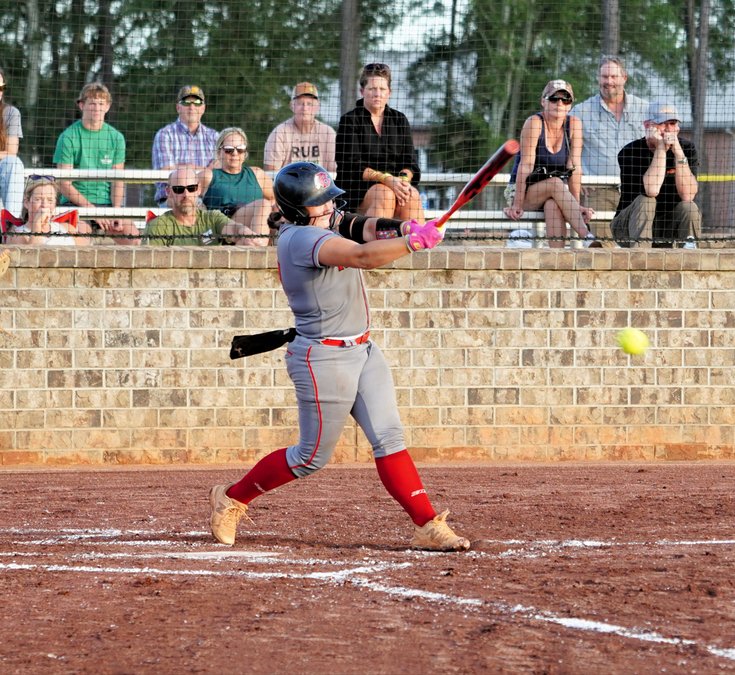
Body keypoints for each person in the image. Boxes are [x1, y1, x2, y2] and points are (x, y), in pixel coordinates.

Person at [208, 161, 470, 552]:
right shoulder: (299, 239)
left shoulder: (324, 221)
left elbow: (363, 226)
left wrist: (405, 228)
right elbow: (362, 256)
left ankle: (427, 524)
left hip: (363, 351)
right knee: (310, 457)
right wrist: (414, 243)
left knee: (389, 438)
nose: (331, 207)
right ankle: (232, 498)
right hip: (323, 359)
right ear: (298, 210)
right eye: (322, 202)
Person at [504, 80, 599, 248]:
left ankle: (557, 257)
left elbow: (574, 168)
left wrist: (576, 205)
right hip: (523, 191)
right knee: (555, 183)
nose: (560, 103)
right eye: (554, 98)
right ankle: (587, 236)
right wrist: (517, 203)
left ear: (570, 104)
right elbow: (525, 166)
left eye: (565, 99)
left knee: (552, 204)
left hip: (556, 194)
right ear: (543, 101)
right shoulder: (534, 123)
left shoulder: (574, 124)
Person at [572, 56, 649, 243]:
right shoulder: (580, 112)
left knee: (640, 246)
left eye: (614, 76)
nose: (609, 81)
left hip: (638, 190)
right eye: (604, 76)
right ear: (598, 78)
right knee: (603, 248)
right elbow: (566, 148)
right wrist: (577, 176)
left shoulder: (646, 110)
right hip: (599, 190)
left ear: (624, 78)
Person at [53, 82, 139, 245]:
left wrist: (116, 211)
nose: (97, 108)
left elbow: (117, 180)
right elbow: (64, 184)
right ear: (81, 105)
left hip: (106, 205)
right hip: (76, 204)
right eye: (92, 103)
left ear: (107, 107)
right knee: (81, 242)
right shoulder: (68, 137)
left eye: (101, 103)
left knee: (133, 239)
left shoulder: (116, 138)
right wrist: (93, 210)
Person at [336, 63, 424, 222]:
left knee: (412, 195)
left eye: (382, 89)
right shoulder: (350, 120)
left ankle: (415, 238)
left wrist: (403, 182)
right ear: (362, 91)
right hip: (358, 191)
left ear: (389, 92)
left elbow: (410, 163)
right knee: (384, 194)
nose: (377, 94)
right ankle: (374, 237)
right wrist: (387, 179)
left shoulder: (399, 120)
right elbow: (351, 166)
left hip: (395, 186)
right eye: (372, 89)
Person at [611, 102, 701, 248]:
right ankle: (641, 255)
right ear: (647, 126)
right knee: (647, 201)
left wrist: (678, 152)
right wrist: (660, 149)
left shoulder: (687, 148)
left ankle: (689, 255)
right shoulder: (630, 151)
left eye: (672, 124)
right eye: (662, 124)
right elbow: (651, 190)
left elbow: (688, 195)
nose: (669, 129)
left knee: (689, 207)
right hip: (628, 226)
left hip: (667, 223)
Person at [143, 167, 259, 246]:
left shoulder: (212, 218)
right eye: (179, 189)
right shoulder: (158, 226)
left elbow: (233, 228)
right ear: (169, 192)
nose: (186, 194)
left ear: (198, 189)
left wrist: (243, 231)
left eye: (191, 188)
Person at [199, 127, 274, 246]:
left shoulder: (257, 174)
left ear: (245, 153)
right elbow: (187, 195)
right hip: (222, 229)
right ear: (219, 152)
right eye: (229, 150)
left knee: (265, 206)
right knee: (263, 204)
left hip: (250, 231)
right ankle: (260, 249)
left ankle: (256, 245)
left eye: (240, 150)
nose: (235, 153)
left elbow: (274, 199)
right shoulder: (208, 176)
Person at [151, 85, 218, 207]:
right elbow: (166, 173)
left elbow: (220, 171)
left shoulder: (215, 137)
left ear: (203, 108)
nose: (192, 107)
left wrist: (182, 168)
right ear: (178, 107)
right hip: (173, 199)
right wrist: (205, 171)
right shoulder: (165, 135)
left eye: (197, 103)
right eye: (186, 103)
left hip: (209, 200)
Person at [263, 82, 336, 172]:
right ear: (291, 106)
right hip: (287, 181)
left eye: (309, 104)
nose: (305, 108)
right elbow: (270, 173)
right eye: (300, 103)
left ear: (317, 107)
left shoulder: (328, 134)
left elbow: (335, 171)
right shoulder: (279, 133)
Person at [4, 176, 91, 246]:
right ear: (26, 202)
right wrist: (37, 225)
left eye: (50, 200)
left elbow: (87, 252)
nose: (45, 205)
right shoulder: (16, 235)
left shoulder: (67, 228)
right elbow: (32, 258)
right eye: (38, 199)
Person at [0, 68, 25, 217]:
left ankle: (11, 223)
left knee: (14, 163)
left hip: (1, 170)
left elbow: (11, 153)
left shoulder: (10, 113)